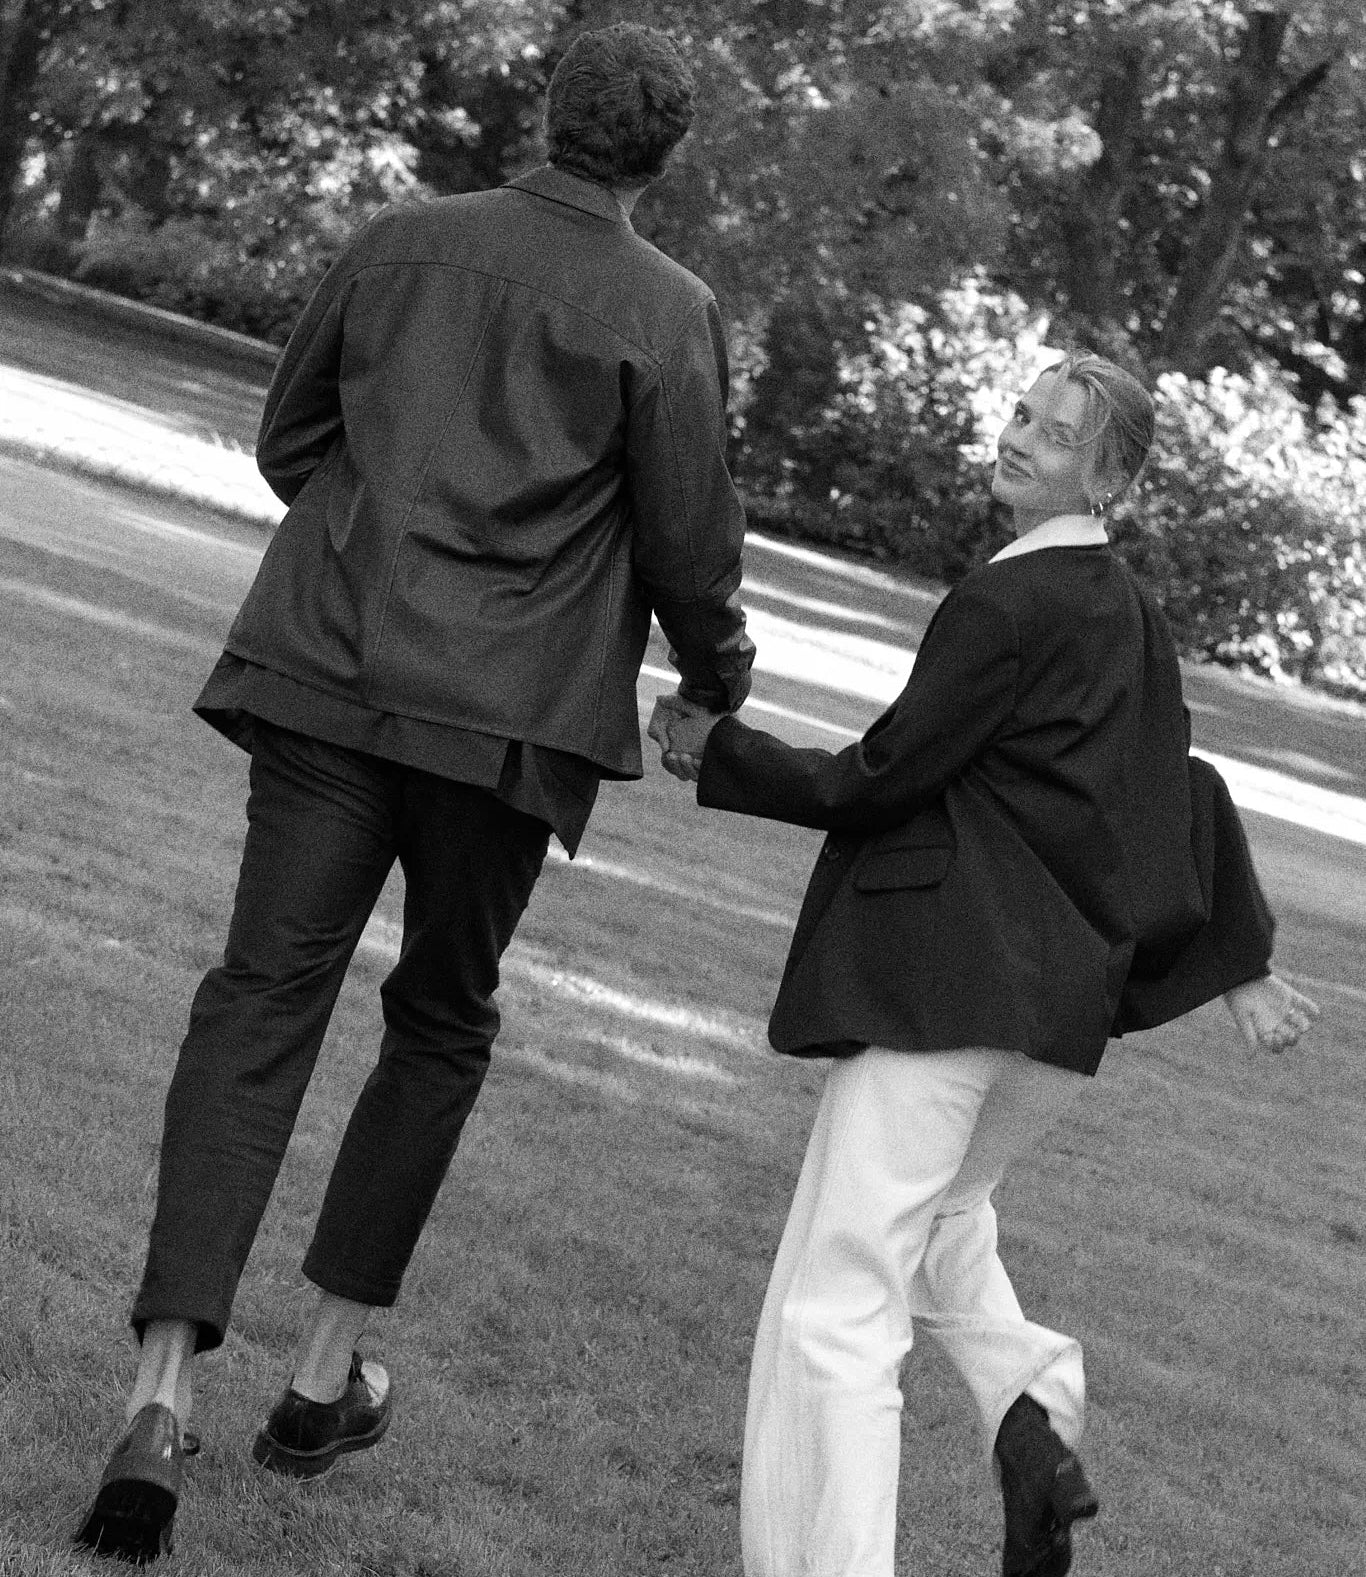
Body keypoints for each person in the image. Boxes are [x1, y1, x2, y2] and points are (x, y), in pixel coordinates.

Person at [75, 22, 755, 1565]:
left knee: (261, 1000)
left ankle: (161, 1394)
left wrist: (371, 544)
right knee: (440, 1019)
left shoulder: (402, 239)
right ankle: (320, 1378)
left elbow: (290, 437)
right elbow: (688, 542)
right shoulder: (669, 309)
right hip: (505, 725)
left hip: (332, 667)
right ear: (662, 158)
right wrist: (716, 677)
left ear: (549, 114)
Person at [649, 350, 1320, 1577]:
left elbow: (881, 775)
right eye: (1021, 412)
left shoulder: (1005, 604)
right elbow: (1179, 787)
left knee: (835, 1306)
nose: (1018, 437)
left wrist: (720, 750)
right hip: (1047, 1033)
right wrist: (1241, 961)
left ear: (1107, 478)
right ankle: (1030, 1414)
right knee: (945, 1216)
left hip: (942, 1000)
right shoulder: (1129, 612)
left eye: (1056, 435)